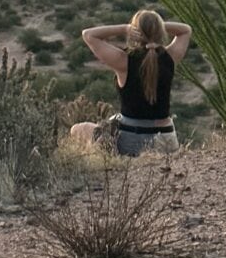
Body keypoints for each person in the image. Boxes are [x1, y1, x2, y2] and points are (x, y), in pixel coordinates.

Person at [70, 10, 192, 157]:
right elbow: (186, 30)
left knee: (77, 129)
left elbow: (88, 34)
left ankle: (100, 162)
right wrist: (156, 27)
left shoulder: (124, 61)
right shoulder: (170, 57)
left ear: (135, 33)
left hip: (133, 141)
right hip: (168, 140)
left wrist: (125, 28)